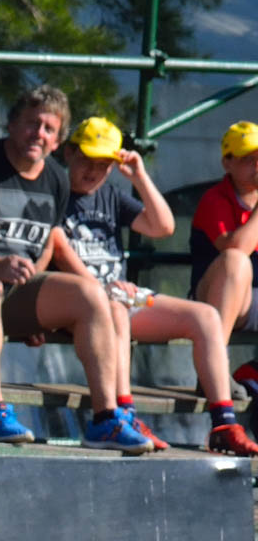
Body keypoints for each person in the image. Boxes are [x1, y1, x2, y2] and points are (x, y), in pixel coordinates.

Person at [0, 86, 140, 451]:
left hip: (8, 289)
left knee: (90, 292)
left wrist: (37, 304)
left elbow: (47, 241)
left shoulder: (57, 179)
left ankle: (106, 419)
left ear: (59, 140)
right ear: (12, 124)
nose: (39, 134)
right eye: (32, 123)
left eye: (49, 128)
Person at [50, 116, 258, 456]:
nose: (93, 171)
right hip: (83, 300)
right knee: (114, 308)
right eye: (87, 160)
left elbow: (163, 226)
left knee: (205, 317)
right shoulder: (55, 192)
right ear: (69, 153)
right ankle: (124, 415)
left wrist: (140, 177)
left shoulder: (111, 196)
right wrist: (99, 287)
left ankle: (223, 423)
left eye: (103, 165)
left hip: (122, 296)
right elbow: (56, 246)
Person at [190, 122, 258, 368]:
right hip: (219, 297)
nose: (257, 166)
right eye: (248, 159)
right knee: (235, 262)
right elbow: (236, 250)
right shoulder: (215, 199)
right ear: (227, 163)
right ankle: (213, 368)